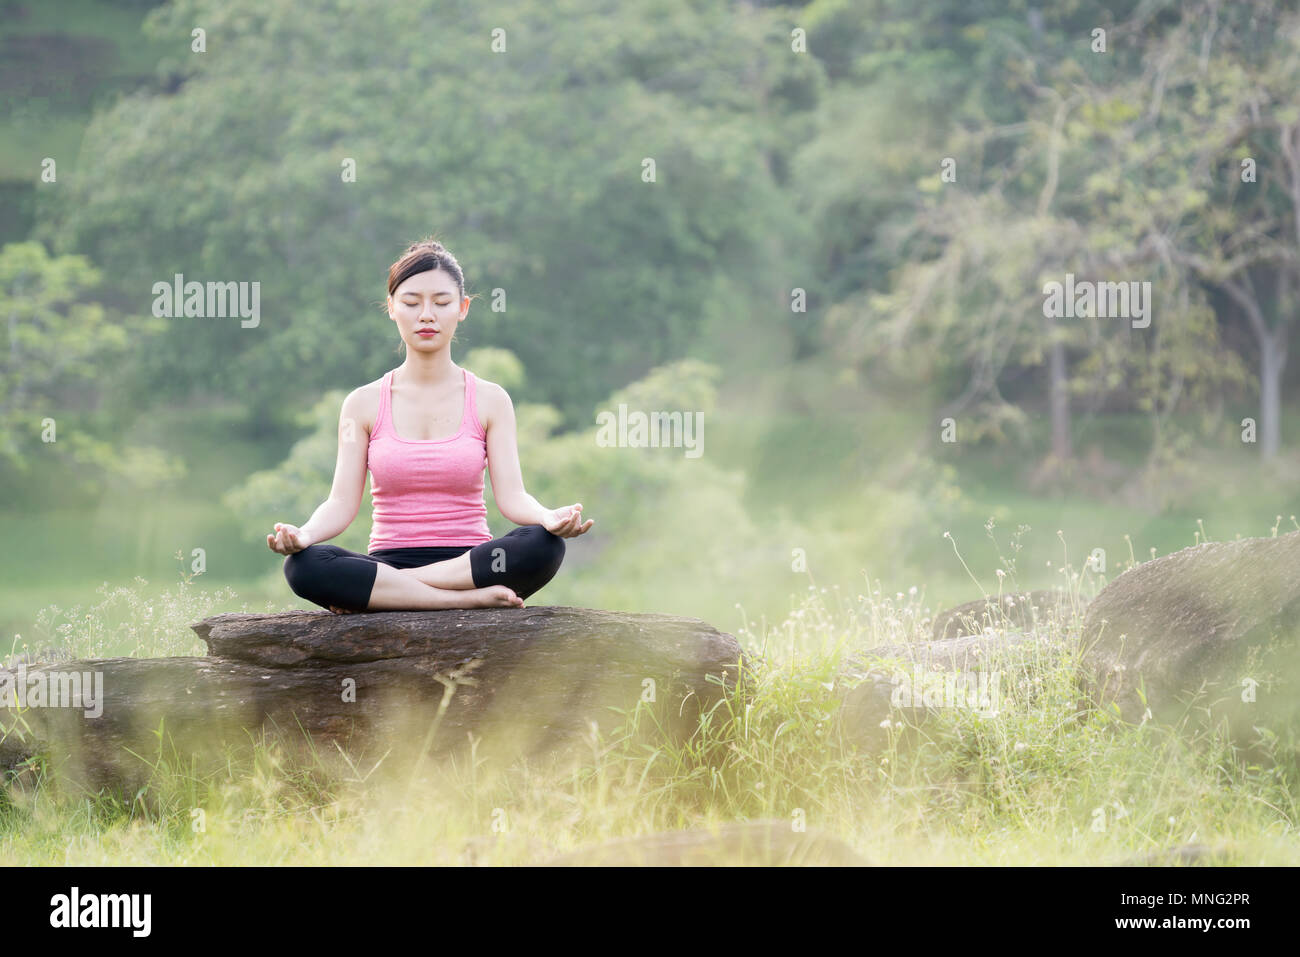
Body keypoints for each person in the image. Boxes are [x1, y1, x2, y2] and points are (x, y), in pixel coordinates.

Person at [267, 238, 593, 613]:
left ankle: (396, 595)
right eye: (410, 302)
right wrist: (303, 534)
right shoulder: (362, 404)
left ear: (463, 308)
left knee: (545, 545)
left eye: (441, 303)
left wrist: (547, 517)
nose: (426, 315)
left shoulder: (490, 399)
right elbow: (341, 503)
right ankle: (464, 603)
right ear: (390, 308)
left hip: (470, 565)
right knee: (303, 566)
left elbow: (513, 497)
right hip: (388, 563)